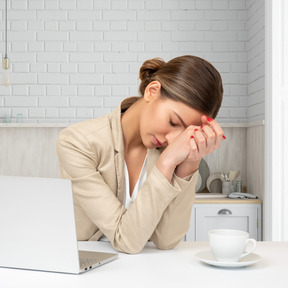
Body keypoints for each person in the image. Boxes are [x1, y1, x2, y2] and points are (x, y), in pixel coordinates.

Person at [56, 55, 224, 254]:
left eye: (185, 133)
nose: (172, 140)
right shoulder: (77, 142)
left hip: (144, 269)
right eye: (173, 122)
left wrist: (190, 163)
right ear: (152, 91)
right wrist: (166, 163)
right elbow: (125, 240)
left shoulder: (171, 151)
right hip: (84, 263)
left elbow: (166, 240)